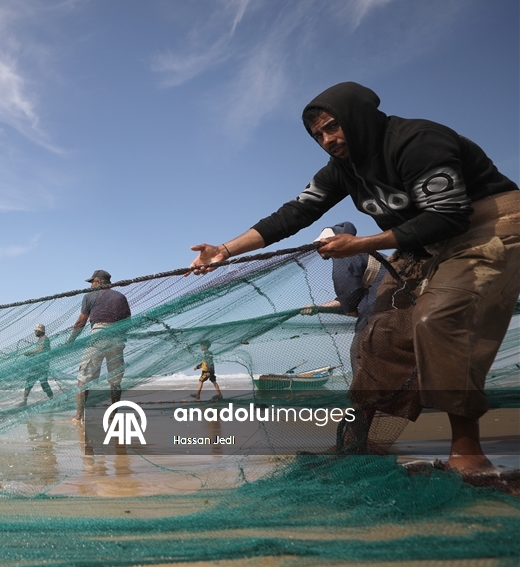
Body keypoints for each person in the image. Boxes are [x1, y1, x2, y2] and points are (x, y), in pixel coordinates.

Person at [189, 81, 519, 474]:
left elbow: (449, 214)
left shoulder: (418, 141)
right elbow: (293, 214)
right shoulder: (341, 170)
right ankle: (360, 446)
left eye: (333, 127)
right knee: (378, 335)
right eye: (318, 135)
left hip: (487, 226)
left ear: (358, 118)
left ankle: (468, 454)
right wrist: (226, 250)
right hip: (420, 241)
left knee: (437, 319)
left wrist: (364, 244)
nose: (327, 139)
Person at [65, 270, 132, 423]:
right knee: (115, 380)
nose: (90, 286)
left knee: (84, 378)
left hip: (98, 335)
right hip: (117, 337)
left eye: (92, 282)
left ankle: (79, 416)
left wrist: (70, 341)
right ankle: (114, 414)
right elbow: (128, 321)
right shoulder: (121, 297)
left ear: (98, 282)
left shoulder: (89, 296)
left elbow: (80, 323)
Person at [21, 323, 54, 406]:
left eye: (36, 331)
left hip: (42, 366)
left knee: (44, 383)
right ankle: (24, 401)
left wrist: (30, 352)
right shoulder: (40, 339)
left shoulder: (45, 339)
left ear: (40, 331)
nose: (35, 332)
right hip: (36, 365)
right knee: (29, 382)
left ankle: (52, 399)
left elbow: (40, 349)